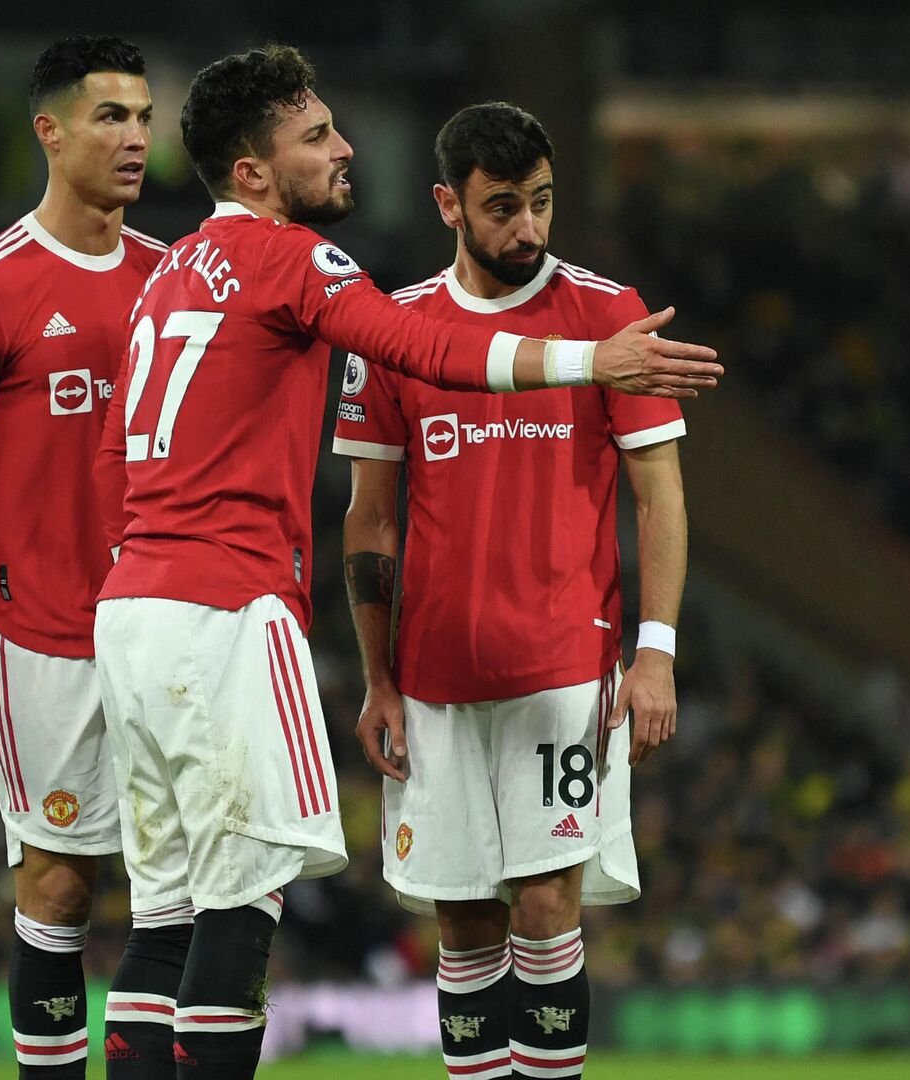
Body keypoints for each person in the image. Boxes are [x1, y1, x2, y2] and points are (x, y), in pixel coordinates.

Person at [93, 45, 721, 1080]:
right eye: (316, 137)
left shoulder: (164, 272)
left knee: (163, 910)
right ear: (253, 171)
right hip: (227, 610)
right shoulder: (297, 262)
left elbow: (117, 450)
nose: (344, 151)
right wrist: (586, 363)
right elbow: (422, 353)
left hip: (134, 606)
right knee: (243, 902)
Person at [336, 101, 687, 1080]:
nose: (527, 229)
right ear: (449, 204)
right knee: (463, 920)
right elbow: (370, 519)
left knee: (544, 904)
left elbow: (661, 499)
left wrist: (653, 651)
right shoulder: (397, 330)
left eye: (540, 203)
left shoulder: (609, 316)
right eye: (502, 209)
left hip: (563, 667)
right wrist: (378, 678)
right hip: (435, 675)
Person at [0, 35, 170, 1080]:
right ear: (48, 132)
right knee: (58, 886)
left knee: (179, 886)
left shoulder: (172, 278)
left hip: (164, 623)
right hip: (41, 638)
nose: (137, 136)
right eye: (112, 116)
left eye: (145, 116)